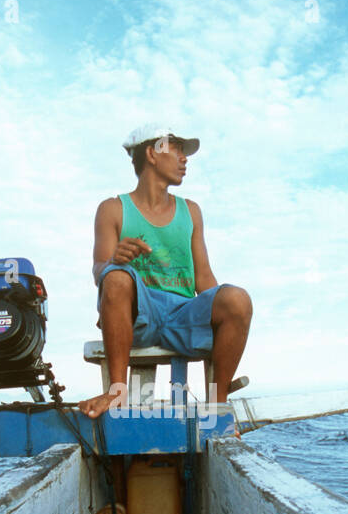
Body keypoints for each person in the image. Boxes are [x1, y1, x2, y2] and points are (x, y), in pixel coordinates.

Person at [77, 123, 252, 421]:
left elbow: (205, 279)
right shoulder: (113, 208)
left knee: (237, 299)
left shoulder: (191, 211)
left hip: (183, 316)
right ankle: (117, 392)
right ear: (152, 153)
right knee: (116, 276)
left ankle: (217, 404)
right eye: (177, 150)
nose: (185, 159)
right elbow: (99, 272)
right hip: (139, 319)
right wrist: (112, 261)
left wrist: (228, 314)